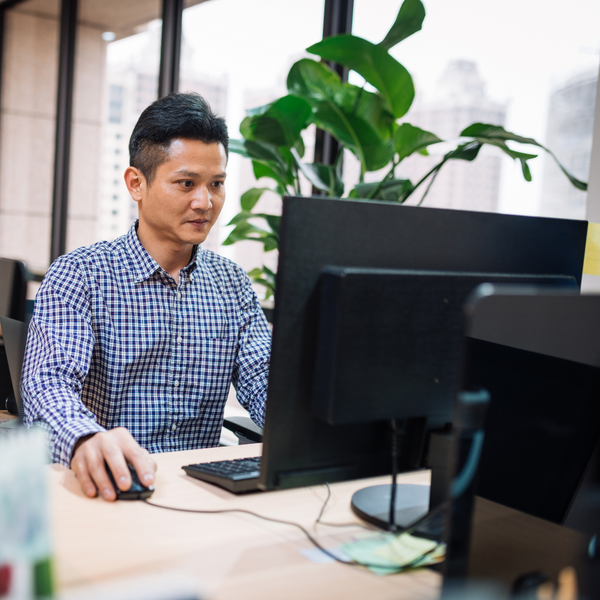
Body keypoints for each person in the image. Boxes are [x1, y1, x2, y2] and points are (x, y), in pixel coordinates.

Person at [21, 92, 271, 501]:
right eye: (186, 183)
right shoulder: (80, 275)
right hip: (109, 486)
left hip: (199, 491)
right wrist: (84, 439)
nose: (204, 203)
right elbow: (49, 385)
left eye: (217, 184)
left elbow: (263, 379)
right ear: (137, 183)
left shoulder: (232, 285)